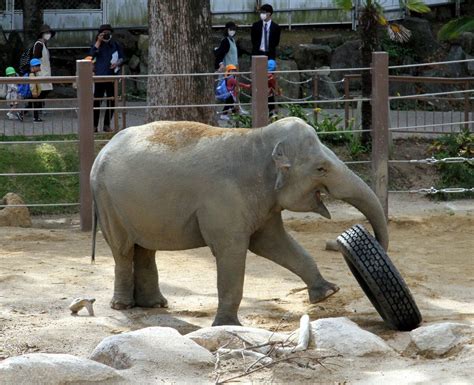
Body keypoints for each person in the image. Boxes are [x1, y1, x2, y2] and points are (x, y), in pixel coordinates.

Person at [90, 24, 124, 132]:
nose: (106, 35)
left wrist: (117, 63)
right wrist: (99, 41)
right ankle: (94, 126)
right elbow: (90, 56)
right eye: (104, 33)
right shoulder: (97, 45)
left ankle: (106, 124)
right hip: (99, 77)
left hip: (112, 76)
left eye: (108, 33)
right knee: (96, 101)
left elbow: (122, 57)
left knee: (112, 101)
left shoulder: (115, 44)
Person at [32, 24, 55, 117]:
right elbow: (35, 59)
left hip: (45, 72)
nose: (48, 34)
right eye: (46, 32)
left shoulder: (43, 44)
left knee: (45, 90)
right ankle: (34, 113)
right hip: (40, 72)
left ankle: (38, 110)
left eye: (49, 32)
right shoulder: (39, 44)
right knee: (41, 92)